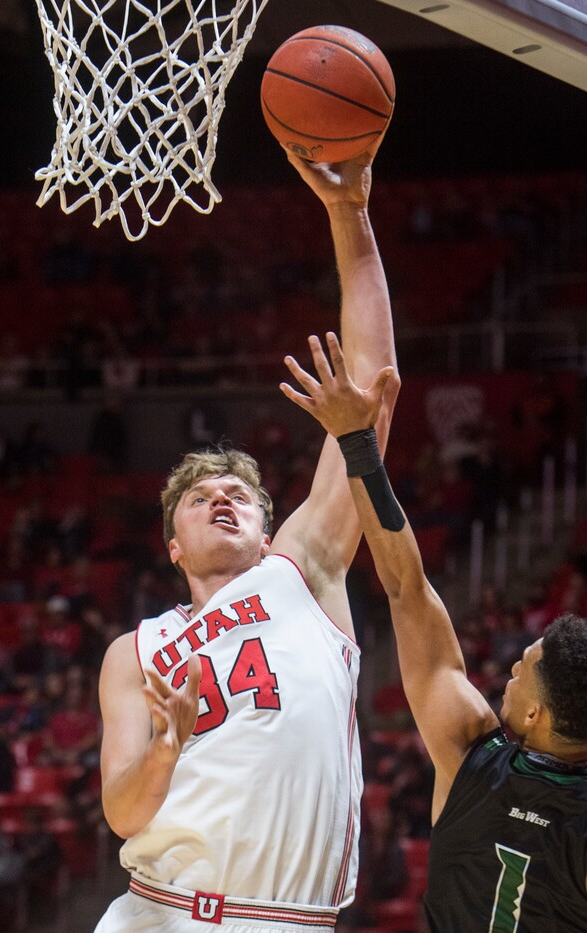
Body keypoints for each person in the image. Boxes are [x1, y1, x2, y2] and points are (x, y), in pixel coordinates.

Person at [94, 141, 399, 933]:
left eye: (240, 495)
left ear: (269, 530)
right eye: (199, 498)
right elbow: (124, 813)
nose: (222, 500)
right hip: (151, 913)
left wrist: (350, 214)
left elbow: (374, 390)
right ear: (173, 544)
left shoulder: (305, 573)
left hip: (282, 919)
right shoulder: (138, 650)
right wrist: (167, 744)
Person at [280, 331, 587, 932]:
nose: (513, 670)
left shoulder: (474, 754)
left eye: (525, 667)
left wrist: (357, 446)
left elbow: (405, 587)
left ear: (534, 717)